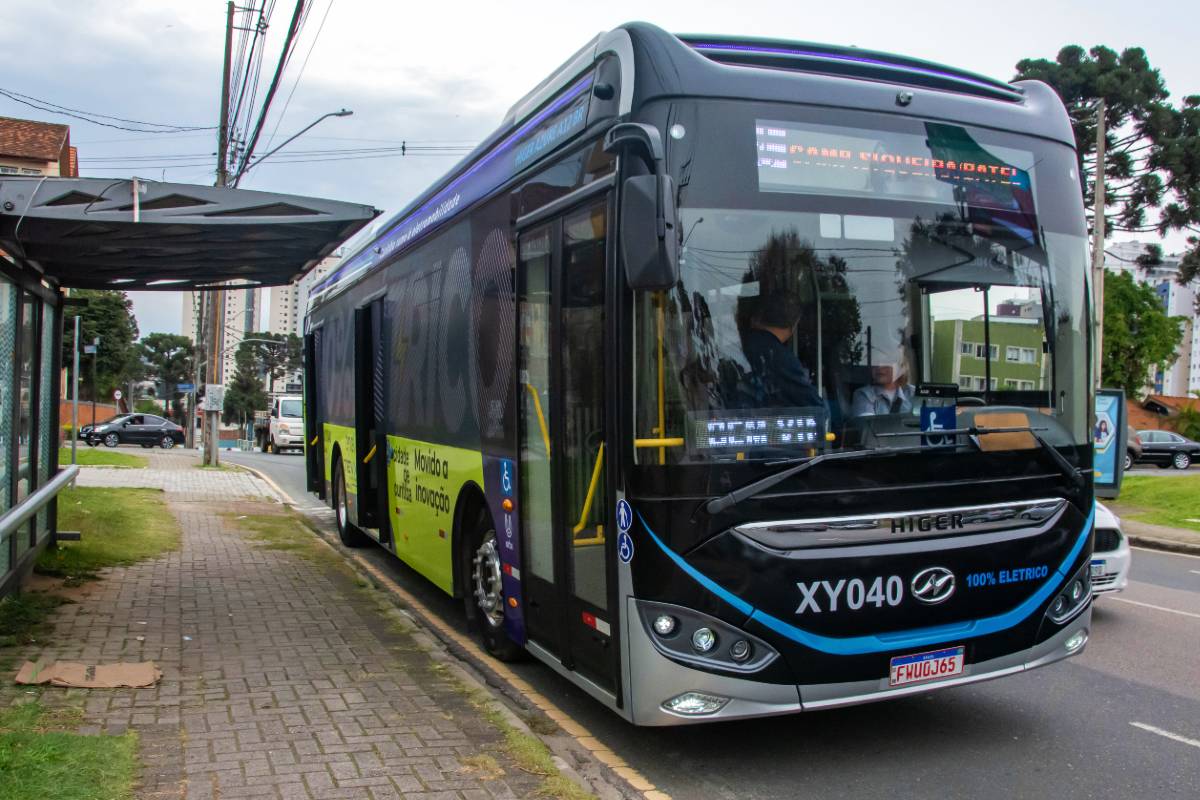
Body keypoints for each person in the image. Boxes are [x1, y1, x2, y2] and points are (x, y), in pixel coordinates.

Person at [739, 292, 824, 409]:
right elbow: (816, 410)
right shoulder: (779, 358)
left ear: (759, 316)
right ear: (794, 325)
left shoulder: (738, 346)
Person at [851, 358, 915, 416]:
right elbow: (868, 426)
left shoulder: (914, 393)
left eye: (886, 362)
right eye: (875, 362)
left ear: (900, 367)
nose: (879, 366)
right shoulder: (863, 394)